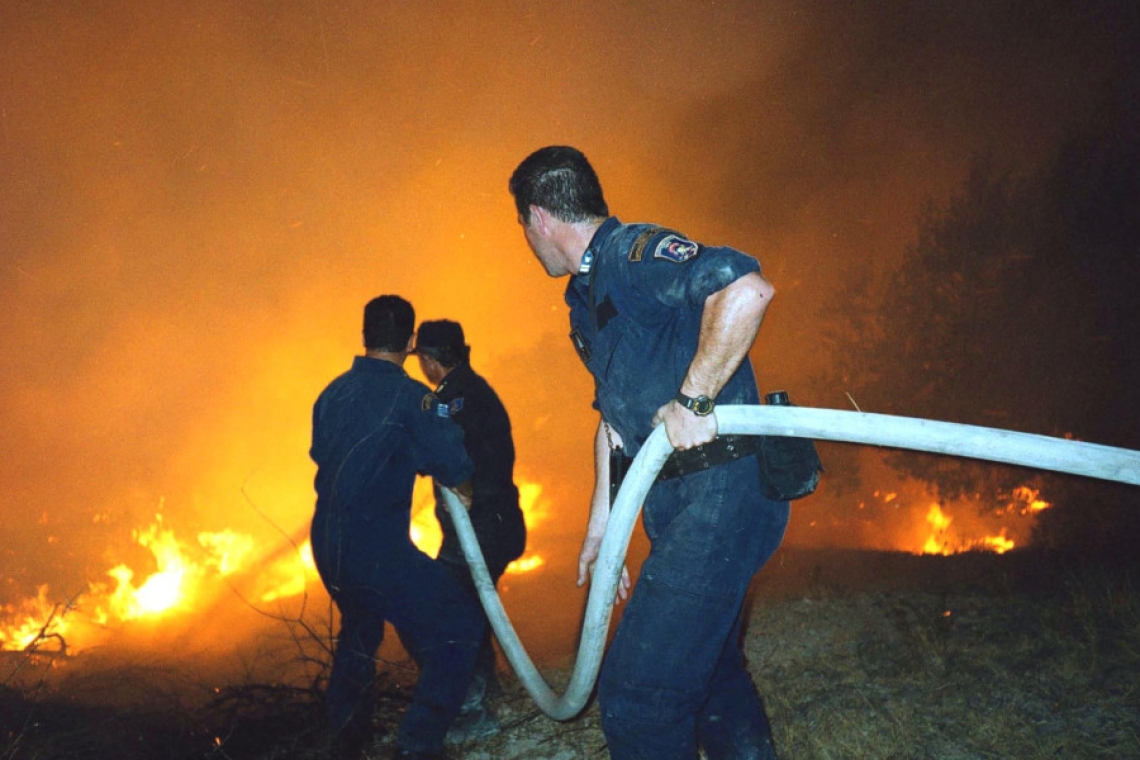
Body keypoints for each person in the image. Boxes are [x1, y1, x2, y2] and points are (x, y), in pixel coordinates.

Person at [508, 146, 791, 760]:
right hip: (685, 504)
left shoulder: (630, 254)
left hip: (723, 490)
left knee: (639, 697)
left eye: (521, 228)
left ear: (538, 217)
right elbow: (613, 424)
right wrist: (601, 530)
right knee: (711, 675)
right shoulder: (586, 296)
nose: (525, 241)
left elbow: (746, 289)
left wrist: (693, 400)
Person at [309, 295, 485, 760]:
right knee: (461, 626)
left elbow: (328, 455)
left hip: (328, 547)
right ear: (410, 344)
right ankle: (418, 745)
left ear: (364, 335)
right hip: (376, 550)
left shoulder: (331, 393)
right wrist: (462, 487)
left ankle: (346, 741)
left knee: (361, 625)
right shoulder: (413, 399)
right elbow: (453, 462)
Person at [414, 319, 527, 740]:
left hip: (482, 530)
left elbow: (454, 458)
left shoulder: (454, 400)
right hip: (491, 526)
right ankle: (487, 691)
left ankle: (471, 712)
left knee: (449, 612)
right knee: (470, 606)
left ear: (428, 360)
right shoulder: (472, 391)